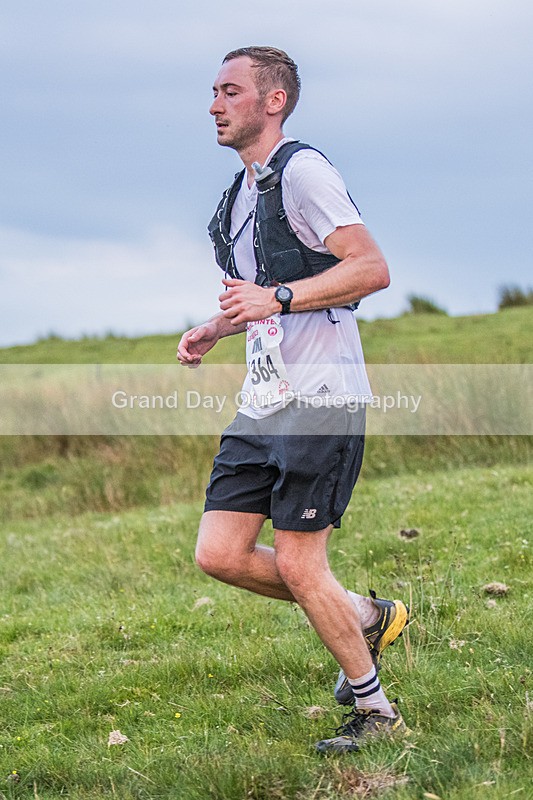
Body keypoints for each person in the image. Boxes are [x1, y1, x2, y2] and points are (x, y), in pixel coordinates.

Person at [177, 46, 409, 753]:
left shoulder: (304, 173)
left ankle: (376, 712)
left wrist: (274, 297)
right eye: (214, 92)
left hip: (322, 396)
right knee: (219, 553)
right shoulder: (241, 193)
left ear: (273, 101)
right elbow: (263, 295)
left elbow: (370, 269)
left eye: (230, 91)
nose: (214, 105)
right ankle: (365, 614)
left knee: (304, 564)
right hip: (263, 401)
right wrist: (220, 325)